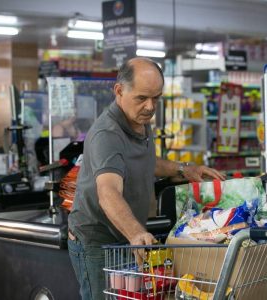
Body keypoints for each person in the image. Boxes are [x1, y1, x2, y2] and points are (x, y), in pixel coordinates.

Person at [67, 57, 225, 300]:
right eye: (142, 98)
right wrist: (135, 233)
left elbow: (145, 160)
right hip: (97, 242)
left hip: (125, 237)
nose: (151, 107)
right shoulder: (107, 134)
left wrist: (183, 169)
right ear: (119, 91)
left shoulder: (138, 119)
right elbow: (107, 191)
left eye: (156, 98)